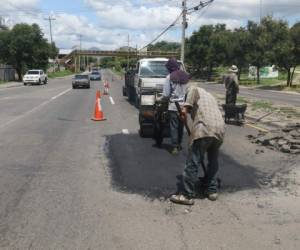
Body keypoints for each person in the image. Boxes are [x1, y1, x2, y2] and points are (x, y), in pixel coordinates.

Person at [170, 86, 225, 205]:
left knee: (193, 161)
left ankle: (187, 195)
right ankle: (211, 190)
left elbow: (190, 99)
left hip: (204, 128)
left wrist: (184, 111)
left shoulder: (193, 89)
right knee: (213, 160)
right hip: (220, 129)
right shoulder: (210, 96)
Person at [163, 58, 189, 155]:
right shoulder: (186, 76)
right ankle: (179, 144)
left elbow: (166, 94)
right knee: (181, 126)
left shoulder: (169, 77)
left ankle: (174, 147)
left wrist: (163, 101)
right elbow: (188, 92)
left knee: (174, 127)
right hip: (184, 106)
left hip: (173, 106)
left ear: (170, 67)